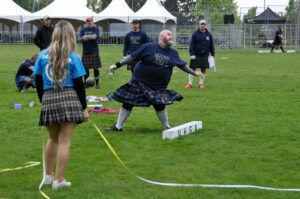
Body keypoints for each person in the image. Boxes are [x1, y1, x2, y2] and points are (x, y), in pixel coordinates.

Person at [104, 30, 203, 131]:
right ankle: (118, 127)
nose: (171, 37)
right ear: (161, 37)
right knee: (128, 103)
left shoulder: (173, 53)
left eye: (172, 35)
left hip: (158, 86)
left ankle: (167, 127)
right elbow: (132, 57)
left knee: (160, 105)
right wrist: (117, 65)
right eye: (169, 35)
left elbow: (182, 66)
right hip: (140, 82)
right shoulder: (148, 47)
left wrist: (194, 73)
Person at [33, 21, 89, 190]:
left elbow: (37, 80)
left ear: (55, 34)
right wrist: (84, 108)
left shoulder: (42, 55)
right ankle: (58, 180)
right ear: (71, 36)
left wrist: (44, 100)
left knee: (53, 139)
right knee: (64, 142)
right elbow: (79, 84)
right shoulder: (73, 57)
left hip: (49, 99)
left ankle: (49, 176)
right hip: (70, 98)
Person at [185, 20, 215, 89]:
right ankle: (190, 83)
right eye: (201, 24)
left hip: (205, 55)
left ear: (206, 25)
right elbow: (191, 44)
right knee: (192, 69)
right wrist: (191, 53)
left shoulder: (209, 34)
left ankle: (200, 84)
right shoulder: (195, 34)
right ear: (199, 25)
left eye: (204, 24)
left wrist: (212, 53)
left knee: (203, 69)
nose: (202, 25)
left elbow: (211, 45)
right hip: (196, 55)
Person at [79, 17, 102, 89]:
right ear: (86, 22)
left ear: (92, 22)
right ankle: (86, 84)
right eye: (87, 21)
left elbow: (94, 37)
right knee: (85, 69)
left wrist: (86, 36)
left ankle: (97, 83)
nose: (89, 22)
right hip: (85, 51)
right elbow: (82, 38)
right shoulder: (83, 30)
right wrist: (89, 37)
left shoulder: (95, 29)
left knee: (95, 68)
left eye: (90, 21)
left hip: (94, 51)